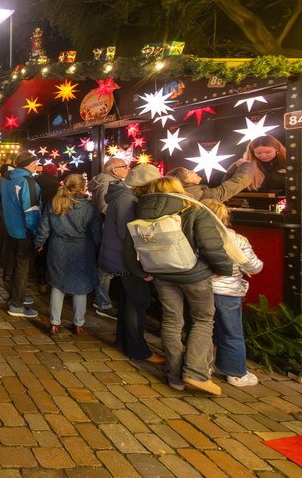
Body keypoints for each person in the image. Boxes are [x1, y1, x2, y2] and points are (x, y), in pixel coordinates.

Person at [124, 177, 233, 396]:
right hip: (194, 274)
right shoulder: (194, 210)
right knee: (203, 320)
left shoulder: (141, 212)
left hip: (161, 274)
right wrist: (224, 268)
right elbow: (210, 245)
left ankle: (174, 376)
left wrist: (141, 272)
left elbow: (129, 248)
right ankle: (196, 372)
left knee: (172, 321)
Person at [98, 163, 164, 362]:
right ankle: (138, 349)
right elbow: (128, 234)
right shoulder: (128, 200)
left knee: (128, 301)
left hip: (117, 257)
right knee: (137, 302)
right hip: (125, 260)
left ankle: (124, 341)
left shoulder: (121, 196)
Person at [201, 198, 263, 387]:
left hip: (200, 290)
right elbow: (254, 266)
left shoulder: (193, 235)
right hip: (227, 292)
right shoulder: (236, 239)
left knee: (201, 329)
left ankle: (203, 366)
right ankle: (235, 372)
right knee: (231, 332)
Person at [33, 174, 102, 335]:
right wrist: (98, 247)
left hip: (58, 248)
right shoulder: (90, 208)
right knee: (80, 287)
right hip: (83, 249)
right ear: (83, 188)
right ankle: (78, 323)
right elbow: (96, 233)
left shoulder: (54, 203)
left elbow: (44, 227)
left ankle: (54, 322)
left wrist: (39, 243)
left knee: (58, 286)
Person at [0, 152, 41, 318]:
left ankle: (18, 294)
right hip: (23, 231)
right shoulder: (28, 181)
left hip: (10, 228)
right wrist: (37, 233)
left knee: (12, 265)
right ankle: (16, 304)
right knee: (22, 267)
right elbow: (31, 211)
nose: (37, 164)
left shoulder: (6, 179)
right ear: (28, 164)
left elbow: (2, 202)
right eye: (35, 162)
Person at [89, 157, 129, 320]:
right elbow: (105, 208)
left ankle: (102, 300)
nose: (128, 169)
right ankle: (102, 303)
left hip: (104, 229)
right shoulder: (108, 184)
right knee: (105, 269)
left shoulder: (105, 182)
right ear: (114, 170)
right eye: (125, 166)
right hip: (106, 230)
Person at [167, 164, 252, 202]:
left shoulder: (186, 193)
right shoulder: (198, 194)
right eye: (189, 172)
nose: (193, 171)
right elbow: (225, 190)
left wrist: (235, 166)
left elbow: (221, 188)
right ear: (185, 180)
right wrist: (248, 166)